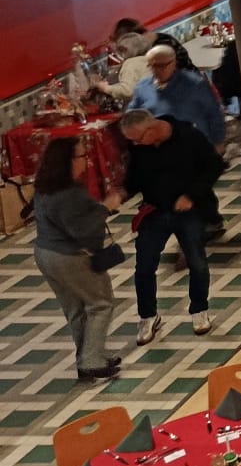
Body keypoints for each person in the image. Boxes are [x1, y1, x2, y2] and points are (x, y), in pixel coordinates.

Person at [118, 109, 224, 343]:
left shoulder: (188, 136)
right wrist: (122, 193)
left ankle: (199, 309)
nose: (135, 144)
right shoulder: (140, 148)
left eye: (137, 139)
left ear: (151, 129)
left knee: (197, 262)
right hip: (154, 211)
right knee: (144, 266)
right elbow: (134, 178)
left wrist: (191, 195)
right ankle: (148, 316)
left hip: (189, 211)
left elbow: (214, 166)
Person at [32, 139, 122, 381]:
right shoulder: (69, 194)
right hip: (68, 256)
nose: (87, 161)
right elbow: (82, 231)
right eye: (82, 156)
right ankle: (92, 360)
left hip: (44, 253)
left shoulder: (45, 184)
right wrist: (106, 208)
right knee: (100, 304)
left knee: (75, 309)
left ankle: (87, 358)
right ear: (69, 161)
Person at [128, 45, 225, 147]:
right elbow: (132, 115)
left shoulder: (195, 84)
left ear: (174, 63)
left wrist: (218, 141)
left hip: (194, 144)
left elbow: (214, 112)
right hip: (161, 147)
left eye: (161, 66)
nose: (156, 70)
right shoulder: (142, 87)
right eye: (152, 66)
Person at [94, 32, 155, 104]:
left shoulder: (130, 64)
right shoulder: (148, 60)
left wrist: (106, 88)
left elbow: (127, 91)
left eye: (120, 50)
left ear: (125, 50)